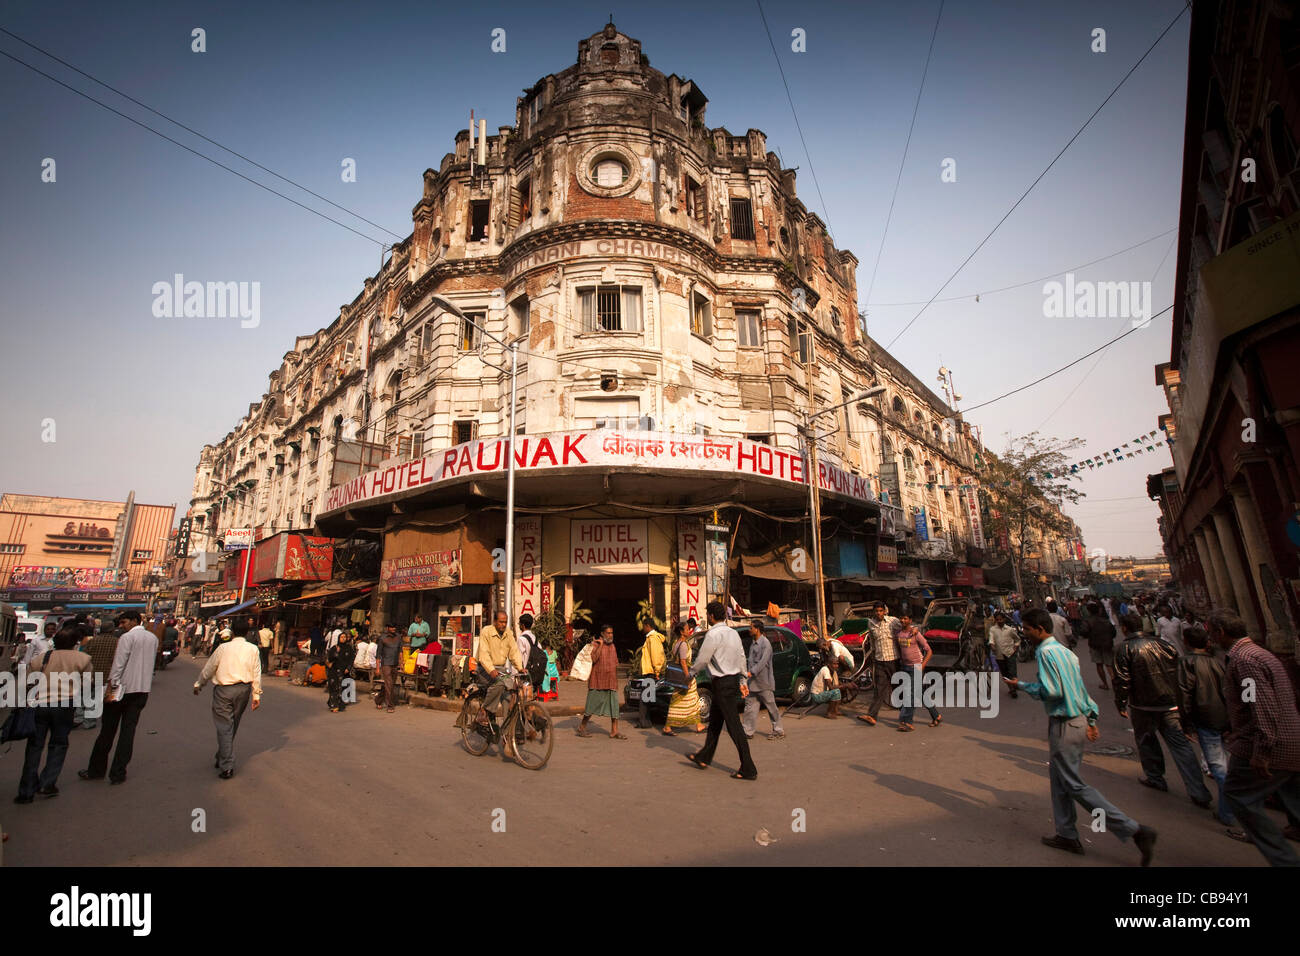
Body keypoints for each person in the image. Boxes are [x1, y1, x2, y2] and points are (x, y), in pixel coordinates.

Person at [1006, 608, 1157, 865]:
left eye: (1028, 628)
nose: (1025, 633)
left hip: (1065, 723)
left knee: (1074, 785)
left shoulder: (1045, 653)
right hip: (1076, 721)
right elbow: (1079, 689)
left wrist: (1021, 685)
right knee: (1059, 781)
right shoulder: (1066, 652)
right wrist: (1092, 718)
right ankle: (1066, 833)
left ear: (1040, 629)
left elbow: (1052, 691)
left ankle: (1134, 830)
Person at [1206, 611, 1300, 866]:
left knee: (1238, 795)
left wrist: (1262, 750)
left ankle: (1284, 860)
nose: (1210, 638)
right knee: (1290, 790)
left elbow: (1261, 705)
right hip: (1290, 738)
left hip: (1268, 743)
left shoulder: (1244, 659)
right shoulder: (1259, 653)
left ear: (1220, 633)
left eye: (1211, 632)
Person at [1114, 612, 1213, 808]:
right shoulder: (1164, 645)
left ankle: (1156, 778)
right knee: (1181, 746)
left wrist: (1121, 702)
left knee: (1146, 741)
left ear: (1124, 628)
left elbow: (1122, 680)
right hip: (1170, 703)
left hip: (1143, 705)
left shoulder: (1124, 648)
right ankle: (1198, 791)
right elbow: (1179, 672)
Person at [14, 626, 92, 803]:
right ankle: (47, 784)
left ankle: (26, 791)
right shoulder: (83, 658)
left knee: (34, 746)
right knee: (58, 744)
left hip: (40, 705)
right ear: (75, 643)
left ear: (55, 642)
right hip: (65, 706)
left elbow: (28, 681)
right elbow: (88, 684)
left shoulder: (43, 657)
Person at [79, 610, 157, 785]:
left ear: (135, 621)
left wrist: (110, 691)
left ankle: (96, 770)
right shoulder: (152, 639)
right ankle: (118, 772)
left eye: (124, 622)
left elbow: (118, 666)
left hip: (121, 689)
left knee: (107, 731)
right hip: (142, 690)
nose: (121, 626)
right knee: (128, 733)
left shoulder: (127, 638)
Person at [1177, 625, 1238, 834]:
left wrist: (1185, 723)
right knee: (1224, 763)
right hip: (1224, 719)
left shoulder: (1187, 663)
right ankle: (1227, 809)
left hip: (1205, 718)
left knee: (1219, 768)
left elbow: (1185, 693)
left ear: (1186, 642)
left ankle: (1230, 812)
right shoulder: (1217, 662)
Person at [687, 602, 757, 780]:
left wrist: (690, 674)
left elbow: (703, 659)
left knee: (734, 727)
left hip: (722, 683)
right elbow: (742, 657)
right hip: (731, 681)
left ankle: (748, 768)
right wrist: (743, 680)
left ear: (711, 616)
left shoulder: (713, 634)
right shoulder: (733, 634)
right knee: (715, 723)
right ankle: (704, 757)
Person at [194, 623, 262, 779]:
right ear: (246, 633)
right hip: (243, 690)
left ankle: (227, 765)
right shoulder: (252, 649)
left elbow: (209, 668)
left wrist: (199, 683)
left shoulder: (223, 648)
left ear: (231, 633)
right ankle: (222, 756)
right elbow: (256, 672)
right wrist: (256, 694)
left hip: (224, 690)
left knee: (225, 726)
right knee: (232, 725)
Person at [894, 612, 941, 731]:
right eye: (901, 618)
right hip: (905, 667)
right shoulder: (898, 633)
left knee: (911, 695)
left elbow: (929, 651)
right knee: (920, 694)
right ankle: (936, 715)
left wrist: (922, 666)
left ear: (910, 620)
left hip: (916, 668)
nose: (903, 620)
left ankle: (907, 721)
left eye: (905, 618)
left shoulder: (915, 633)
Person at [577, 625, 625, 739]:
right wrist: (601, 645)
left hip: (611, 681)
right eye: (608, 633)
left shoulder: (613, 646)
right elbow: (594, 659)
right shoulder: (595, 645)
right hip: (597, 681)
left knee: (614, 707)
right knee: (591, 706)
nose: (610, 635)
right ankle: (582, 727)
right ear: (602, 633)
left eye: (611, 633)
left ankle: (614, 731)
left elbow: (615, 663)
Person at [858, 602, 900, 727]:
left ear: (885, 611)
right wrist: (872, 657)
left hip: (893, 660)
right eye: (876, 611)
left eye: (881, 610)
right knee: (879, 690)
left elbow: (905, 628)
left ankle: (906, 716)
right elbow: (872, 640)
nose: (879, 613)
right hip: (879, 660)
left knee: (898, 688)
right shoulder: (871, 623)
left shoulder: (893, 621)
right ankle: (872, 716)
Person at [663, 623, 707, 736]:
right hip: (684, 676)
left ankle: (698, 724)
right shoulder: (683, 644)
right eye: (687, 629)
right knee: (678, 701)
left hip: (681, 676)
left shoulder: (676, 643)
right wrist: (688, 677)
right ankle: (667, 726)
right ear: (682, 632)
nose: (689, 631)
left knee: (692, 699)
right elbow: (683, 662)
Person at [743, 620, 784, 739]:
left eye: (751, 628)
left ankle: (778, 730)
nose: (749, 630)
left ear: (757, 629)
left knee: (771, 707)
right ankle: (747, 731)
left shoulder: (765, 644)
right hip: (753, 683)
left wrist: (751, 672)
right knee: (750, 707)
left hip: (764, 682)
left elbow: (762, 662)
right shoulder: (753, 643)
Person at [633, 617, 667, 729]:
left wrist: (657, 671)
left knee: (646, 697)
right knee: (647, 697)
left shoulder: (653, 639)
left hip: (651, 672)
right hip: (650, 672)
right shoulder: (651, 638)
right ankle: (645, 721)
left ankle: (645, 721)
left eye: (644, 626)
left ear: (648, 626)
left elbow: (656, 656)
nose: (643, 629)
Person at [1079, 601, 1117, 690]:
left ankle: (1105, 684)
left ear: (1089, 611)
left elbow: (1084, 632)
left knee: (1099, 664)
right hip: (1107, 644)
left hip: (1094, 645)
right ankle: (1114, 682)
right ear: (1098, 610)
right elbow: (1113, 633)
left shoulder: (1087, 621)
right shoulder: (1106, 620)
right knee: (1109, 665)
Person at [988, 611, 1020, 697]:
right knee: (1004, 673)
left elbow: (1017, 640)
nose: (999, 621)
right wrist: (992, 645)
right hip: (999, 655)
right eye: (997, 620)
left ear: (1004, 619)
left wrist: (1016, 647)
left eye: (1001, 619)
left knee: (1012, 672)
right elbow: (991, 639)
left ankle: (1013, 689)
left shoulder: (1010, 630)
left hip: (1010, 653)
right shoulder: (993, 630)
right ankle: (1011, 688)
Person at [325, 629, 356, 713]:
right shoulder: (334, 648)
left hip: (342, 670)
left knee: (340, 688)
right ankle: (334, 705)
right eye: (341, 637)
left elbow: (351, 659)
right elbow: (329, 659)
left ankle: (338, 704)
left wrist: (348, 668)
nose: (343, 638)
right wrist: (336, 653)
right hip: (333, 670)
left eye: (344, 637)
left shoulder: (349, 648)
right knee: (333, 687)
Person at [375, 624, 403, 712]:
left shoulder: (398, 637)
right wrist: (377, 668)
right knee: (389, 684)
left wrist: (401, 663)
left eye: (394, 627)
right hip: (385, 664)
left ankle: (378, 700)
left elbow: (400, 651)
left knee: (390, 685)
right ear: (388, 628)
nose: (393, 629)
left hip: (395, 664)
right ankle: (390, 705)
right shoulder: (382, 638)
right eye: (391, 627)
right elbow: (378, 654)